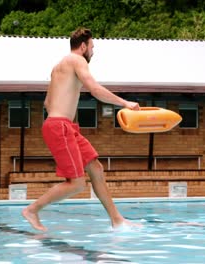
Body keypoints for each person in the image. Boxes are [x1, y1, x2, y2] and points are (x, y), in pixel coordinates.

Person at [22, 27, 140, 232]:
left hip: (63, 126)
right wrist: (124, 103)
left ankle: (117, 220)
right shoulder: (78, 60)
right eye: (92, 47)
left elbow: (47, 103)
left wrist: (62, 116)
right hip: (60, 127)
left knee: (96, 168)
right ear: (83, 46)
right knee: (76, 183)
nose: (93, 52)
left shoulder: (57, 67)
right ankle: (33, 210)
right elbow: (94, 89)